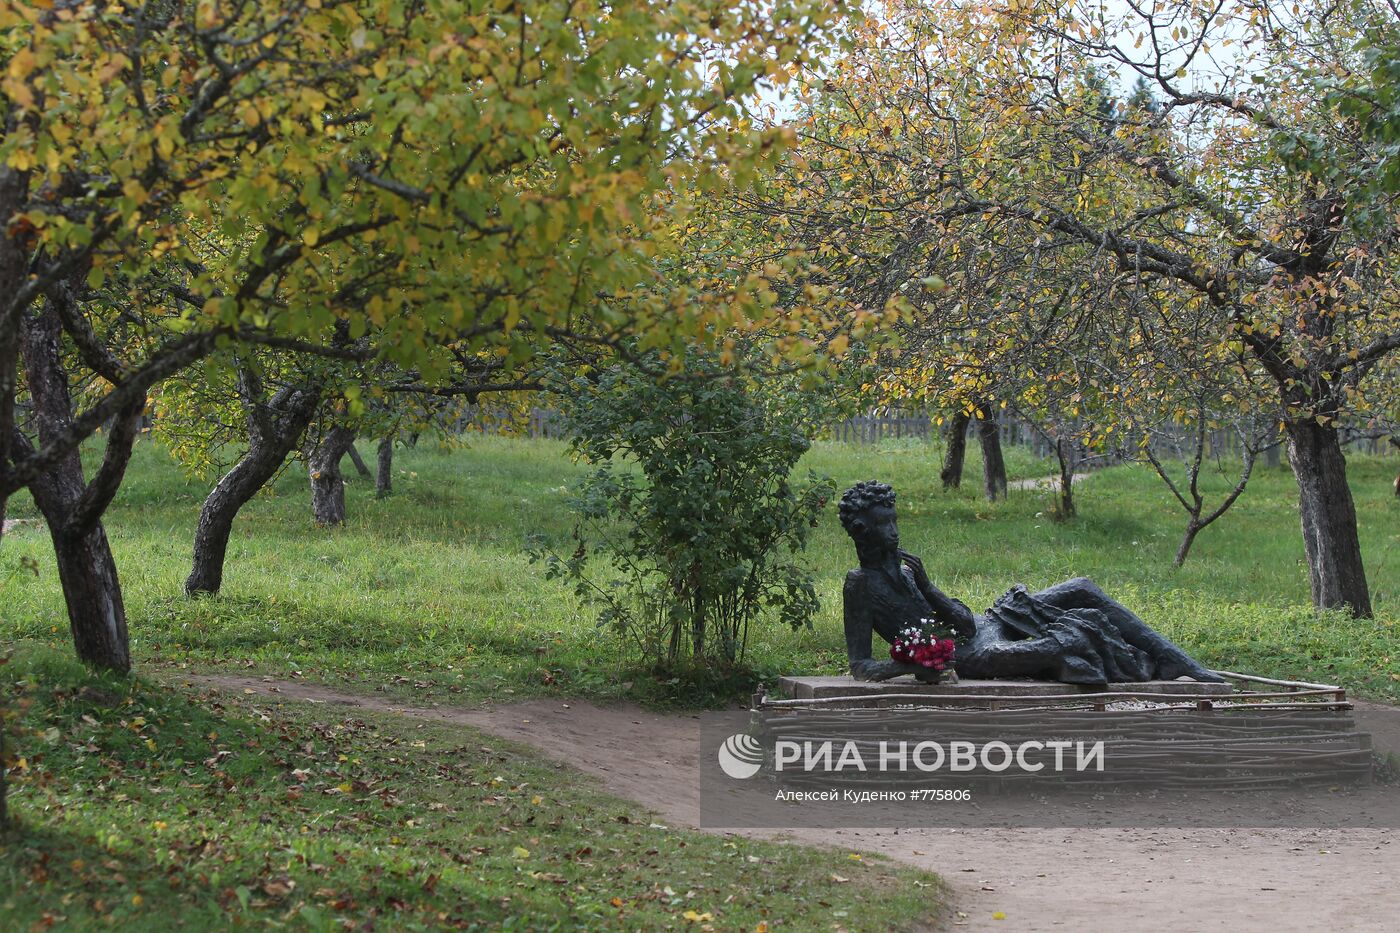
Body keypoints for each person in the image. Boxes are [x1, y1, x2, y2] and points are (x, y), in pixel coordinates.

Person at [838, 480, 1225, 685]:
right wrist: (913, 664)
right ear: (861, 530)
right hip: (972, 657)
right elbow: (861, 666)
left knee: (1082, 588)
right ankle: (1067, 664)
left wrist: (927, 586)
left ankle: (1178, 661)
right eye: (882, 523)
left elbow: (966, 621)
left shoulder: (909, 571)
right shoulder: (860, 586)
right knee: (1073, 636)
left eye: (894, 520)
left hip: (983, 626)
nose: (893, 530)